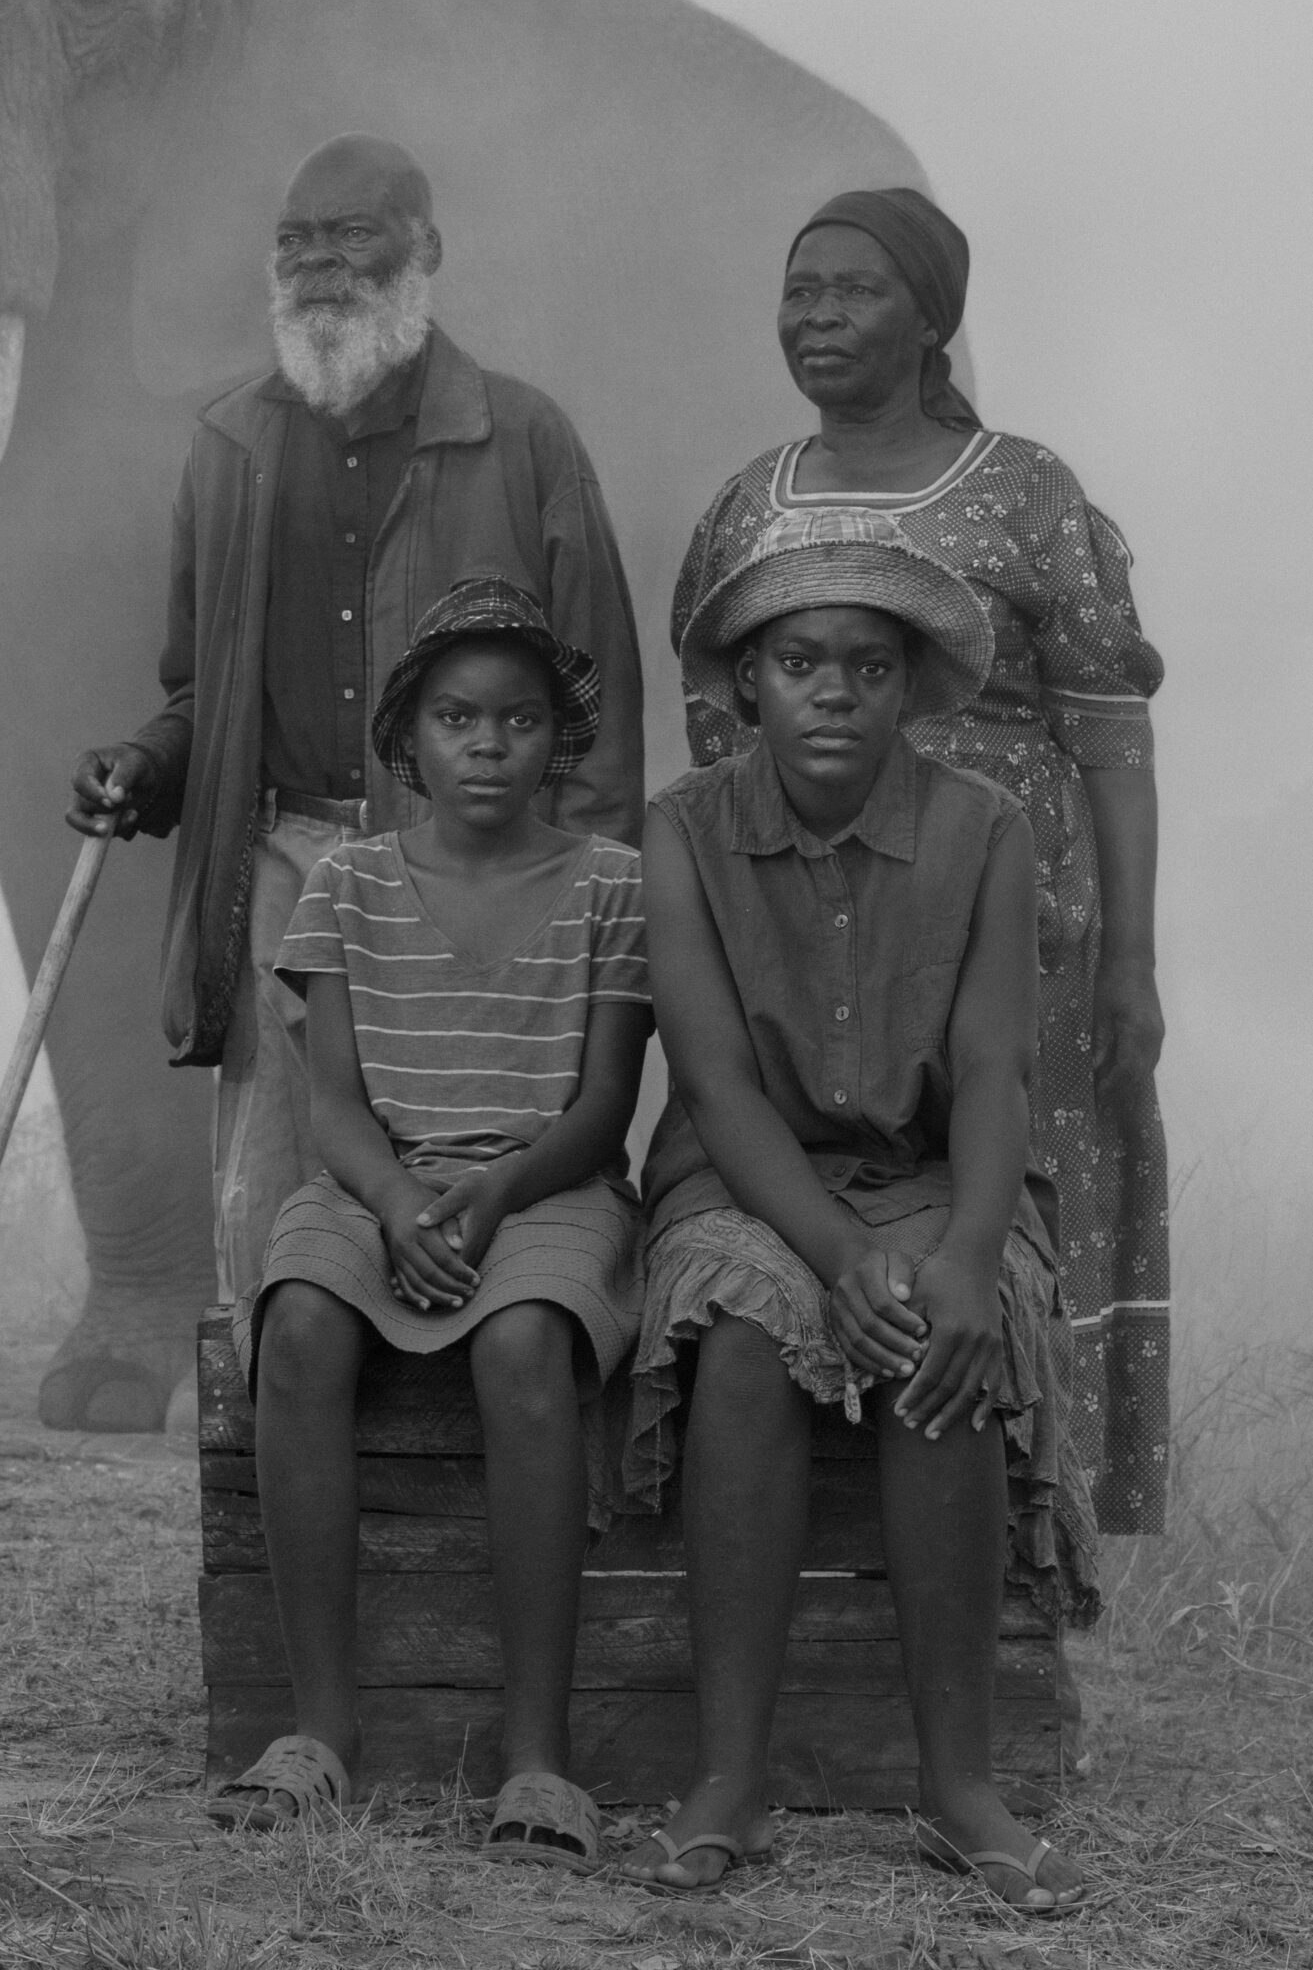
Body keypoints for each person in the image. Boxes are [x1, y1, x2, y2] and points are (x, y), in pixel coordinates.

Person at [68, 134, 644, 1319]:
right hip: (280, 866)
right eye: (295, 240)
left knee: (470, 1193)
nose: (319, 261)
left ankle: (455, 1487)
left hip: (479, 875)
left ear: (424, 249)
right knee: (272, 1197)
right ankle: (277, 1485)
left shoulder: (526, 439)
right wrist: (144, 763)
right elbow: (200, 695)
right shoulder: (228, 447)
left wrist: (589, 914)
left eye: (351, 233)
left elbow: (598, 708)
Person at [671, 188, 1166, 1537]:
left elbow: (1111, 729)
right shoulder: (740, 510)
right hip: (816, 948)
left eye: (854, 290)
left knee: (1007, 1229)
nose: (816, 316)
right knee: (834, 1221)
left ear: (933, 316)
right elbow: (716, 764)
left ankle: (1032, 1582)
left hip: (1022, 936)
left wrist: (1128, 955)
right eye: (799, 290)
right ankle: (844, 1566)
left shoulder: (1027, 491)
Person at [620, 508, 1096, 1913]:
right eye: (799, 664)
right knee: (755, 1343)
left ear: (906, 689)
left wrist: (957, 1258)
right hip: (746, 1177)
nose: (832, 693)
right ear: (745, 686)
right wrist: (832, 1255)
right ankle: (728, 1776)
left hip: (943, 1175)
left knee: (942, 1350)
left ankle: (959, 1790)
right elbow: (711, 1084)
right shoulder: (683, 831)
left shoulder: (982, 831)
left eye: (868, 669)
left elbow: (1000, 1074)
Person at [205, 577, 653, 1859]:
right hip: (375, 1180)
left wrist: (495, 1192)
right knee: (295, 1326)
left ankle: (536, 1761)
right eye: (457, 718)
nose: (488, 743)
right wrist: (397, 1197)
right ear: (407, 740)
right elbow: (332, 1107)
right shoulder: (346, 882)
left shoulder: (611, 884)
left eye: (518, 721)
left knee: (523, 1350)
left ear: (555, 741)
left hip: (547, 1186)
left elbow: (605, 1107)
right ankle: (321, 1730)